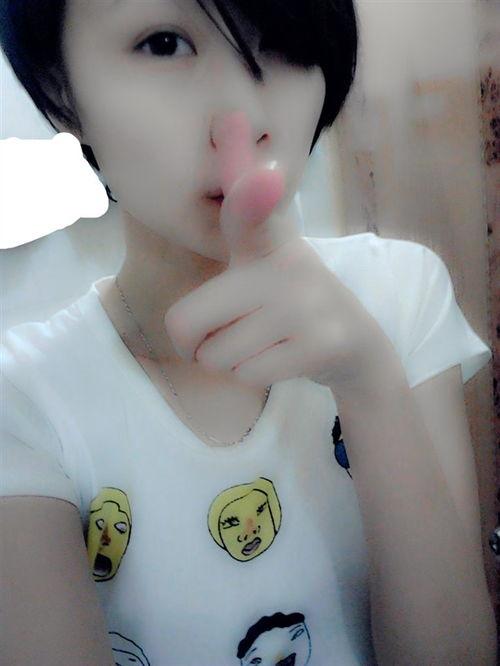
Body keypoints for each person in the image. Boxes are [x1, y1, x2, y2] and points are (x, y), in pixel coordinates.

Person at [0, 1, 497, 664]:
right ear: (60, 87)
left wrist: (370, 386)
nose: (245, 117)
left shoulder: (398, 295)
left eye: (285, 46)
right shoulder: (23, 404)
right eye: (164, 44)